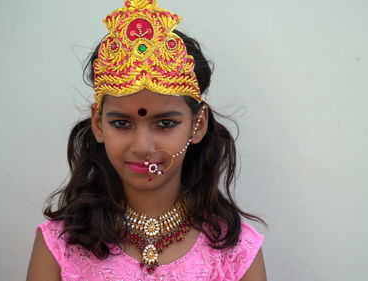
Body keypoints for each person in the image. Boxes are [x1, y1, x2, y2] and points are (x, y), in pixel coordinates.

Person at [26, 0, 267, 280]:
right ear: (98, 124)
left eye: (165, 124)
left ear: (198, 124)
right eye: (121, 123)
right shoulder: (60, 245)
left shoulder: (235, 250)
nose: (142, 147)